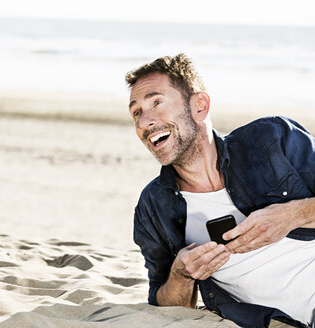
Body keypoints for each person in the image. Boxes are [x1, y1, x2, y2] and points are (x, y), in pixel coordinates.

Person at [125, 53, 315, 328]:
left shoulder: (271, 139)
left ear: (199, 106)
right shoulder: (153, 205)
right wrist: (181, 274)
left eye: (157, 103)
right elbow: (167, 306)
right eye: (136, 113)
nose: (144, 122)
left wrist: (293, 215)